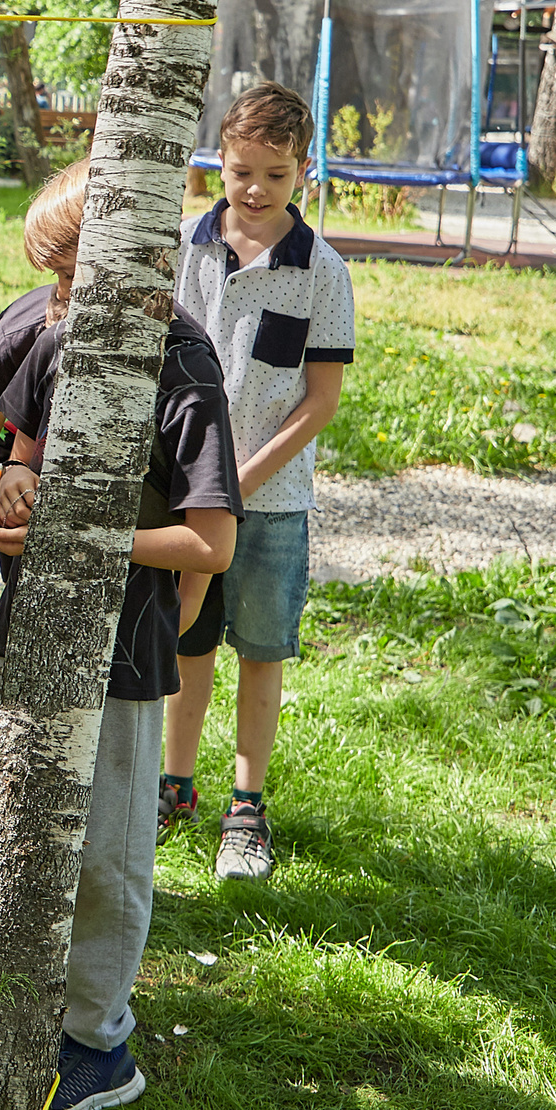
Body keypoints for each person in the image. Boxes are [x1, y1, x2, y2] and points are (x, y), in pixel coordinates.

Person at [0, 158, 240, 1110]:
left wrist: (80, 534)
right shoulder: (38, 326)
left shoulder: (182, 363)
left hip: (125, 651)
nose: (59, 295)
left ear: (141, 262)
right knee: (1, 818)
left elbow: (211, 541)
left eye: (76, 272)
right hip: (32, 627)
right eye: (50, 271)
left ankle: (96, 1039)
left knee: (106, 851)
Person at [162, 82, 356, 882]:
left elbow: (321, 401)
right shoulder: (183, 246)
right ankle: (173, 785)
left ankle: (246, 807)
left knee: (260, 650)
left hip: (271, 502)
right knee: (186, 641)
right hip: (185, 492)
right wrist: (198, 479)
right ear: (219, 161)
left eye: (275, 175)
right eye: (242, 171)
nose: (255, 189)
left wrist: (240, 479)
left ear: (303, 169)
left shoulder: (324, 271)